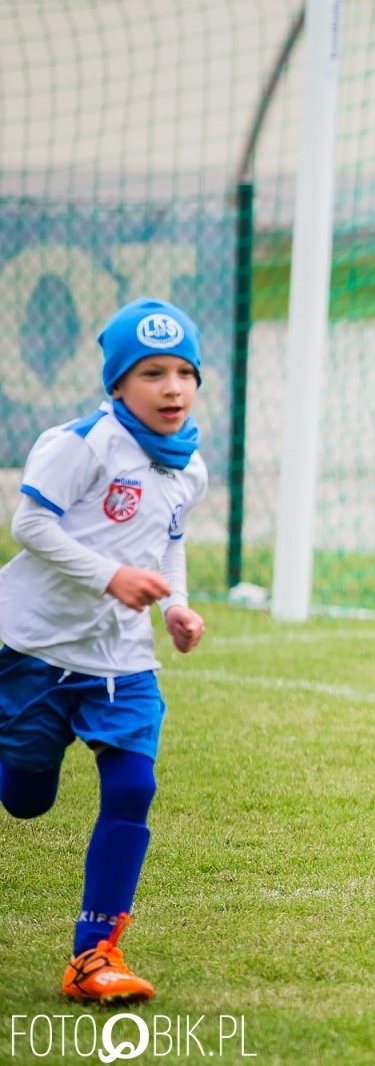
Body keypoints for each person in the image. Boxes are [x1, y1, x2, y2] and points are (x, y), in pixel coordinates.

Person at [0, 298, 209, 1002]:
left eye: (185, 372)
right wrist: (109, 575)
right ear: (118, 383)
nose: (173, 388)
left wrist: (176, 605)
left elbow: (168, 540)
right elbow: (30, 523)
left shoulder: (189, 466)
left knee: (133, 787)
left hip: (122, 660)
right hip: (33, 648)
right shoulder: (81, 444)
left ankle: (94, 956)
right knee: (26, 800)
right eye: (153, 373)